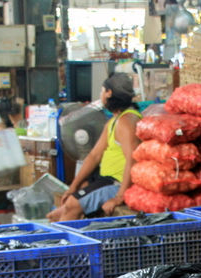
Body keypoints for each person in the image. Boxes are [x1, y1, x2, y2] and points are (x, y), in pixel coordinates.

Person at [48, 73, 141, 221]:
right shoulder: (113, 122)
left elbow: (133, 159)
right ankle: (63, 213)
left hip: (116, 183)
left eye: (102, 91)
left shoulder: (126, 122)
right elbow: (94, 156)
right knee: (77, 191)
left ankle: (64, 240)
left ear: (109, 93)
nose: (101, 95)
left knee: (73, 204)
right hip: (106, 179)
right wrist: (72, 187)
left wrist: (120, 197)